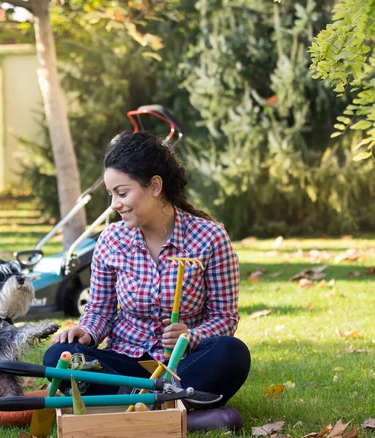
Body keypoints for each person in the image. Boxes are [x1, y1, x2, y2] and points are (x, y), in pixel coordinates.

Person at [43, 130, 250, 431]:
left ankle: (125, 410)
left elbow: (224, 318)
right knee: (57, 358)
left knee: (232, 353)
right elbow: (99, 309)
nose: (115, 204)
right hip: (123, 365)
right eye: (111, 194)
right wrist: (86, 332)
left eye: (122, 193)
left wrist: (189, 336)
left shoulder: (210, 238)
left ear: (155, 186)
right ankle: (176, 412)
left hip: (181, 366)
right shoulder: (111, 240)